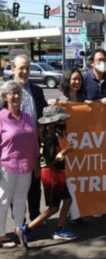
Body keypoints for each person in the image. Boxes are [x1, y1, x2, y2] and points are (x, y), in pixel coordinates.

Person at [16, 105, 78, 250]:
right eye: (60, 120)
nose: (63, 122)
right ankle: (26, 229)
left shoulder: (48, 136)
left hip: (55, 174)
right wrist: (65, 151)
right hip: (51, 175)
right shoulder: (50, 138)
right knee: (53, 207)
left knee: (67, 200)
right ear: (53, 122)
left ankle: (59, 229)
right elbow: (50, 161)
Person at [48, 67, 90, 225]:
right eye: (74, 79)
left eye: (79, 79)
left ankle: (79, 213)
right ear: (67, 80)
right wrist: (52, 103)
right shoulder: (60, 99)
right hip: (66, 148)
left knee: (81, 182)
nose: (77, 82)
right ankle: (73, 216)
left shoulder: (84, 98)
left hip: (84, 146)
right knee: (69, 182)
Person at [0, 81, 39, 249]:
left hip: (26, 166)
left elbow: (34, 141)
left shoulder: (27, 117)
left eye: (18, 93)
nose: (16, 96)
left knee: (21, 200)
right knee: (3, 200)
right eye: (12, 93)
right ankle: (0, 235)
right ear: (4, 97)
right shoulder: (1, 117)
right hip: (6, 166)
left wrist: (37, 162)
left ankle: (19, 229)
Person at [12, 54, 47, 224]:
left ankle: (35, 217)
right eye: (21, 68)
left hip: (35, 145)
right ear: (13, 69)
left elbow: (44, 114)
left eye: (27, 68)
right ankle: (20, 223)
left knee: (35, 184)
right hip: (14, 148)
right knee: (16, 189)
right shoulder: (6, 92)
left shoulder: (37, 90)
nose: (25, 71)